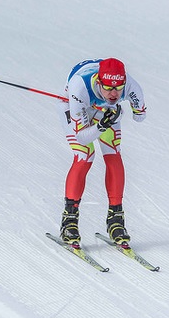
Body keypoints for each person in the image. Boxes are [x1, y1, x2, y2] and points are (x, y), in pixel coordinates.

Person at [58, 58, 146, 247]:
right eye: (108, 88)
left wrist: (120, 111)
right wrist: (101, 125)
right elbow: (82, 137)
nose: (114, 93)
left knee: (113, 153)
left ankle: (116, 219)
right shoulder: (79, 87)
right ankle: (69, 221)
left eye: (119, 88)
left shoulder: (131, 86)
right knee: (85, 155)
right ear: (98, 82)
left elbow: (141, 117)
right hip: (76, 104)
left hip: (104, 109)